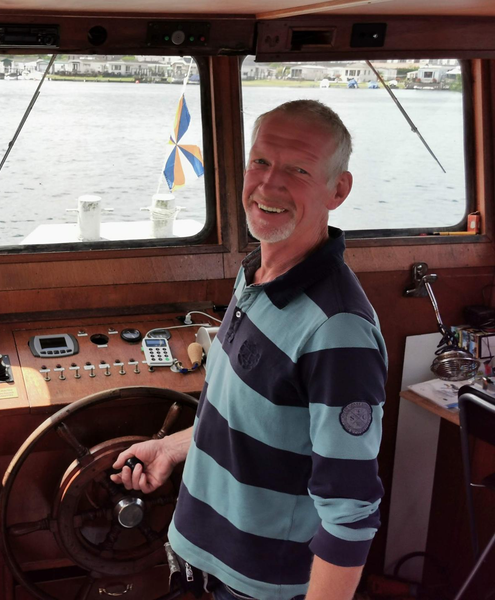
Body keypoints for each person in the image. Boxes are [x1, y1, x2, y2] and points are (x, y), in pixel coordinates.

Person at [112, 100, 387, 600]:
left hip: (257, 586)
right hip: (200, 558)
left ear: (338, 190)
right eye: (260, 161)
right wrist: (173, 449)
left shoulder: (338, 330)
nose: (268, 184)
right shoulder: (257, 275)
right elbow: (254, 417)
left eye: (298, 169)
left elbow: (351, 513)